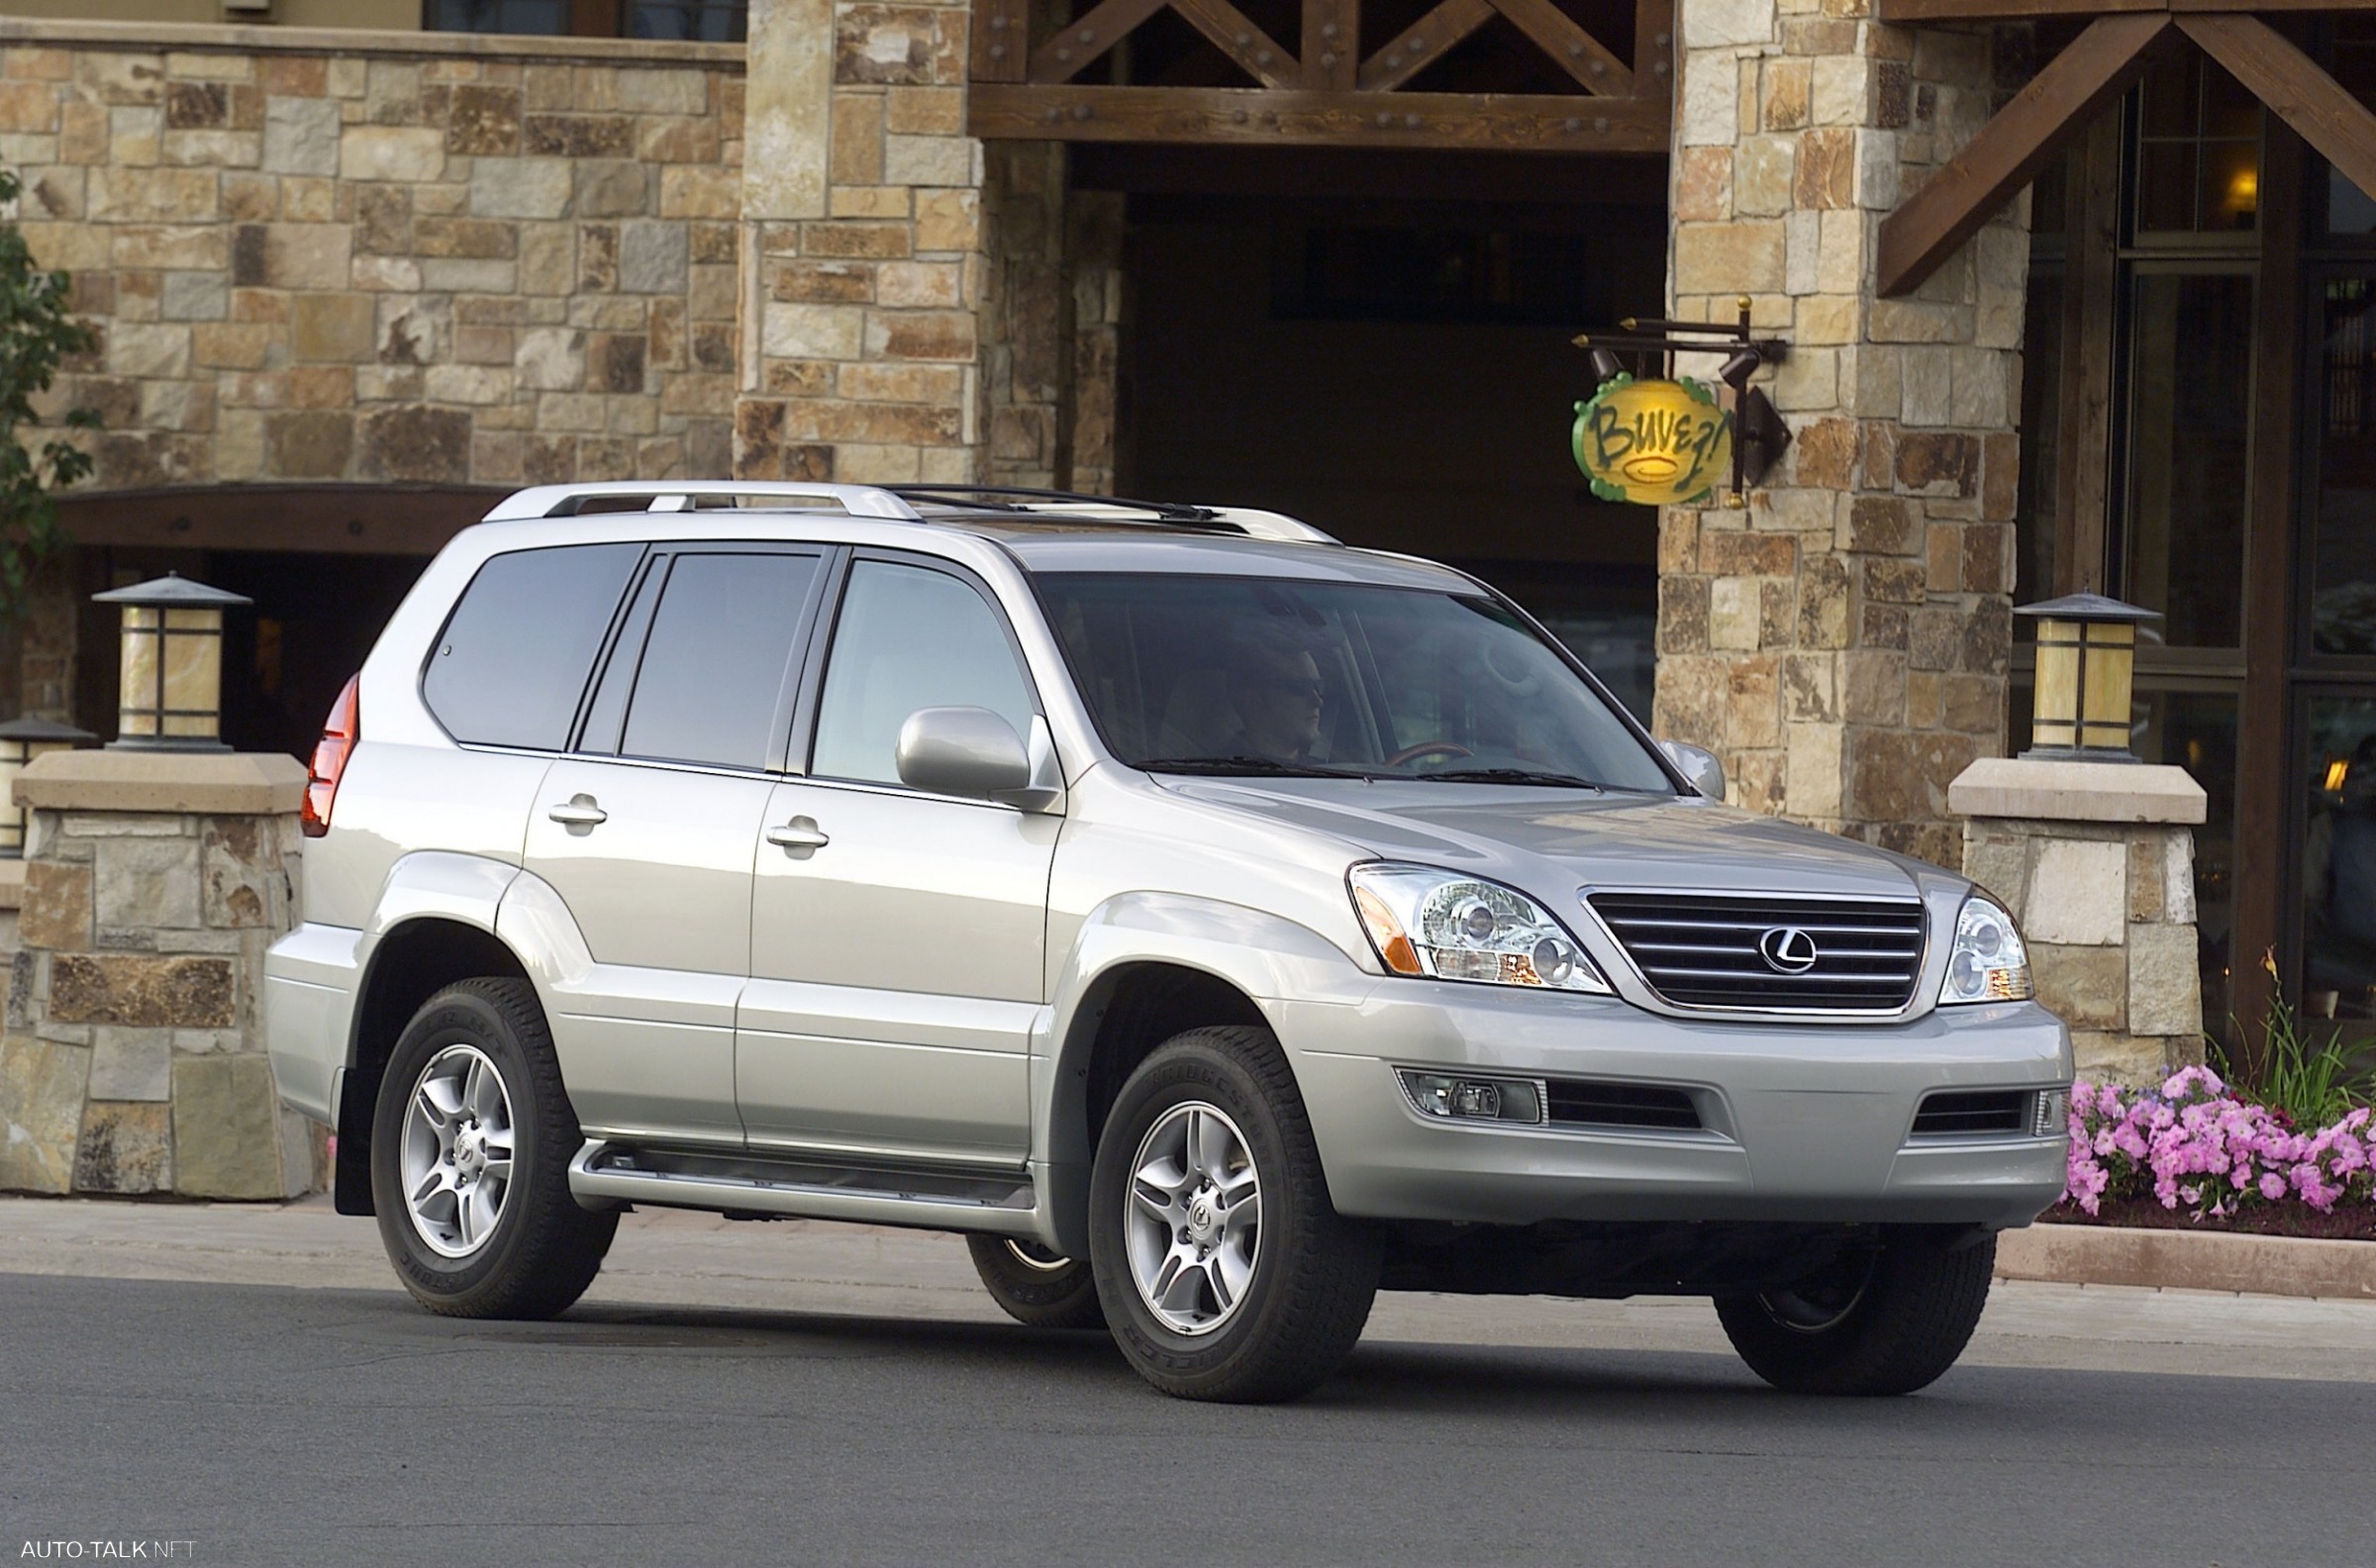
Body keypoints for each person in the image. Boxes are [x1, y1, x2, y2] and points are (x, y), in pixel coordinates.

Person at [1221, 619, 1327, 764]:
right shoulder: (1214, 773)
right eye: (1300, 687)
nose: (1318, 701)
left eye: (1318, 686)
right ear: (1253, 699)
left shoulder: (1333, 772)